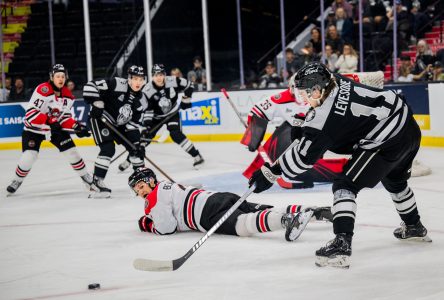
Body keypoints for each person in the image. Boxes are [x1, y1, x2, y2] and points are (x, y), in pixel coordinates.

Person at [249, 62, 432, 268]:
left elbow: (302, 159)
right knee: (395, 181)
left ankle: (342, 244)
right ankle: (414, 226)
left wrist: (270, 173)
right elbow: (343, 121)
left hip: (387, 140)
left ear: (317, 89)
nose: (303, 99)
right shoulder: (337, 80)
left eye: (305, 93)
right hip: (408, 126)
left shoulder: (324, 119)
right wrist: (307, 125)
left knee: (345, 185)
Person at [129, 167, 332, 240]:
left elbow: (167, 228)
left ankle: (287, 219)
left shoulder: (153, 197)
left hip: (205, 214)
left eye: (140, 186)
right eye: (136, 190)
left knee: (244, 225)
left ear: (151, 181)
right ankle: (312, 212)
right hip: (218, 197)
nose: (140, 192)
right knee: (259, 209)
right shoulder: (165, 185)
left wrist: (147, 224)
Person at [6, 64, 93, 194]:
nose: (60, 79)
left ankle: (86, 177)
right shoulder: (43, 90)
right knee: (29, 157)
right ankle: (17, 180)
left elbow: (64, 118)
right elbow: (30, 115)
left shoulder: (68, 96)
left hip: (53, 130)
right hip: (33, 130)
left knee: (72, 152)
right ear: (52, 77)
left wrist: (76, 126)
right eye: (57, 76)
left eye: (63, 76)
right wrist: (50, 121)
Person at [119, 64, 204, 171]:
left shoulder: (173, 81)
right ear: (152, 76)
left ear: (164, 75)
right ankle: (130, 160)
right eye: (155, 75)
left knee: (176, 134)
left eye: (160, 75)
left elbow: (189, 85)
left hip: (172, 114)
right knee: (144, 140)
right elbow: (147, 109)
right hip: (156, 117)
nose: (158, 78)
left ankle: (197, 156)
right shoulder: (147, 89)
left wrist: (186, 99)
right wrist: (147, 126)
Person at [83, 65, 147, 198]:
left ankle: (141, 182)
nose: (138, 82)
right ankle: (96, 183)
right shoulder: (118, 83)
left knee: (136, 151)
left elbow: (133, 126)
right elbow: (90, 86)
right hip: (101, 119)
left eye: (141, 79)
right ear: (129, 79)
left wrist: (136, 144)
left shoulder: (140, 101)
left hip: (119, 125)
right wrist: (97, 102)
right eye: (135, 79)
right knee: (108, 149)